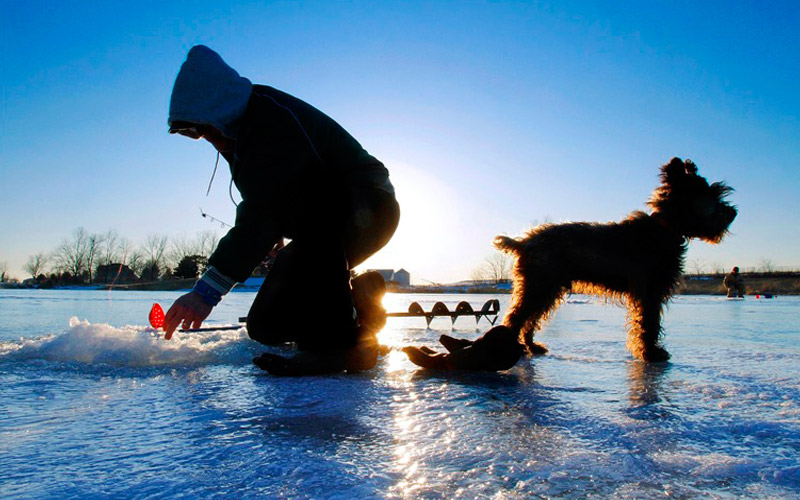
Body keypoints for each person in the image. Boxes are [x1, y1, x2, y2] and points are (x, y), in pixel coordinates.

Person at [163, 45, 400, 374]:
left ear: (220, 108)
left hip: (366, 208)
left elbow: (262, 212)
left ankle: (341, 347)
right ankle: (362, 301)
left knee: (320, 228)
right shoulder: (240, 132)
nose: (202, 138)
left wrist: (206, 292)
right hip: (319, 231)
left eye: (198, 128)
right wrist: (276, 233)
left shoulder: (269, 122)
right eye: (190, 133)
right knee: (266, 326)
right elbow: (270, 202)